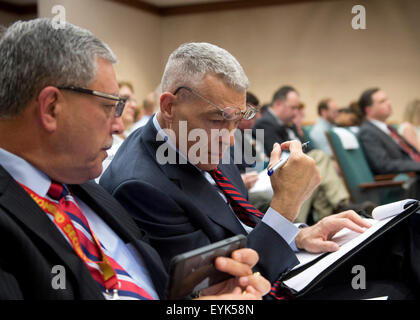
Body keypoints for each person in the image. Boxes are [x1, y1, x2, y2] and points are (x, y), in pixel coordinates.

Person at [99, 43, 420, 299]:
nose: (229, 136)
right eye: (217, 119)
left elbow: (240, 228)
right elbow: (222, 287)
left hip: (282, 260)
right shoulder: (139, 184)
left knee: (403, 238)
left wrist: (297, 233)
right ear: (168, 107)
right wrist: (286, 204)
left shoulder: (203, 138)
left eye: (238, 119)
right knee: (396, 287)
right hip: (259, 286)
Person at [0, 19, 271, 300]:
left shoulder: (81, 185)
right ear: (51, 108)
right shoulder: (129, 181)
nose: (119, 126)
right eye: (109, 107)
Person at [253, 86, 372, 223]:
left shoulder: (289, 124)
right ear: (279, 104)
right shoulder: (265, 123)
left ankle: (327, 218)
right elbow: (277, 153)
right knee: (318, 158)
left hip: (293, 166)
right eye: (293, 108)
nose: (296, 112)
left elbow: (306, 147)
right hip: (274, 174)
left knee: (317, 170)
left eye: (297, 108)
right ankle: (339, 205)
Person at [358, 88, 420, 174]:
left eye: (387, 99)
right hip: (403, 180)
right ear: (369, 110)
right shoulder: (367, 132)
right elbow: (384, 165)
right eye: (382, 101)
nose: (389, 103)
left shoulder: (389, 128)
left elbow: (410, 152)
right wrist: (417, 166)